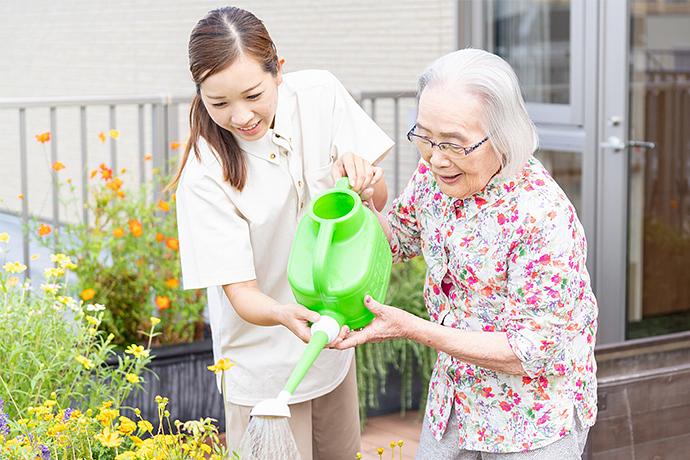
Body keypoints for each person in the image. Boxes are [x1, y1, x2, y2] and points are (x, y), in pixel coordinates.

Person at [333, 49, 598, 459]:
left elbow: (527, 352)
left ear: (503, 135)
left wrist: (412, 328)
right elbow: (398, 239)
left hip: (533, 418)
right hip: (456, 398)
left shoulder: (542, 215)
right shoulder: (435, 175)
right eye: (425, 137)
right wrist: (361, 200)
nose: (437, 159)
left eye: (454, 145)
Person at [169, 7, 393, 459]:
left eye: (253, 95)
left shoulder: (319, 95)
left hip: (331, 344)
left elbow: (379, 200)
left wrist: (365, 182)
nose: (241, 116)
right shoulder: (204, 174)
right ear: (200, 94)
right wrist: (286, 314)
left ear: (279, 71)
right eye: (219, 103)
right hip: (261, 367)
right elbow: (242, 294)